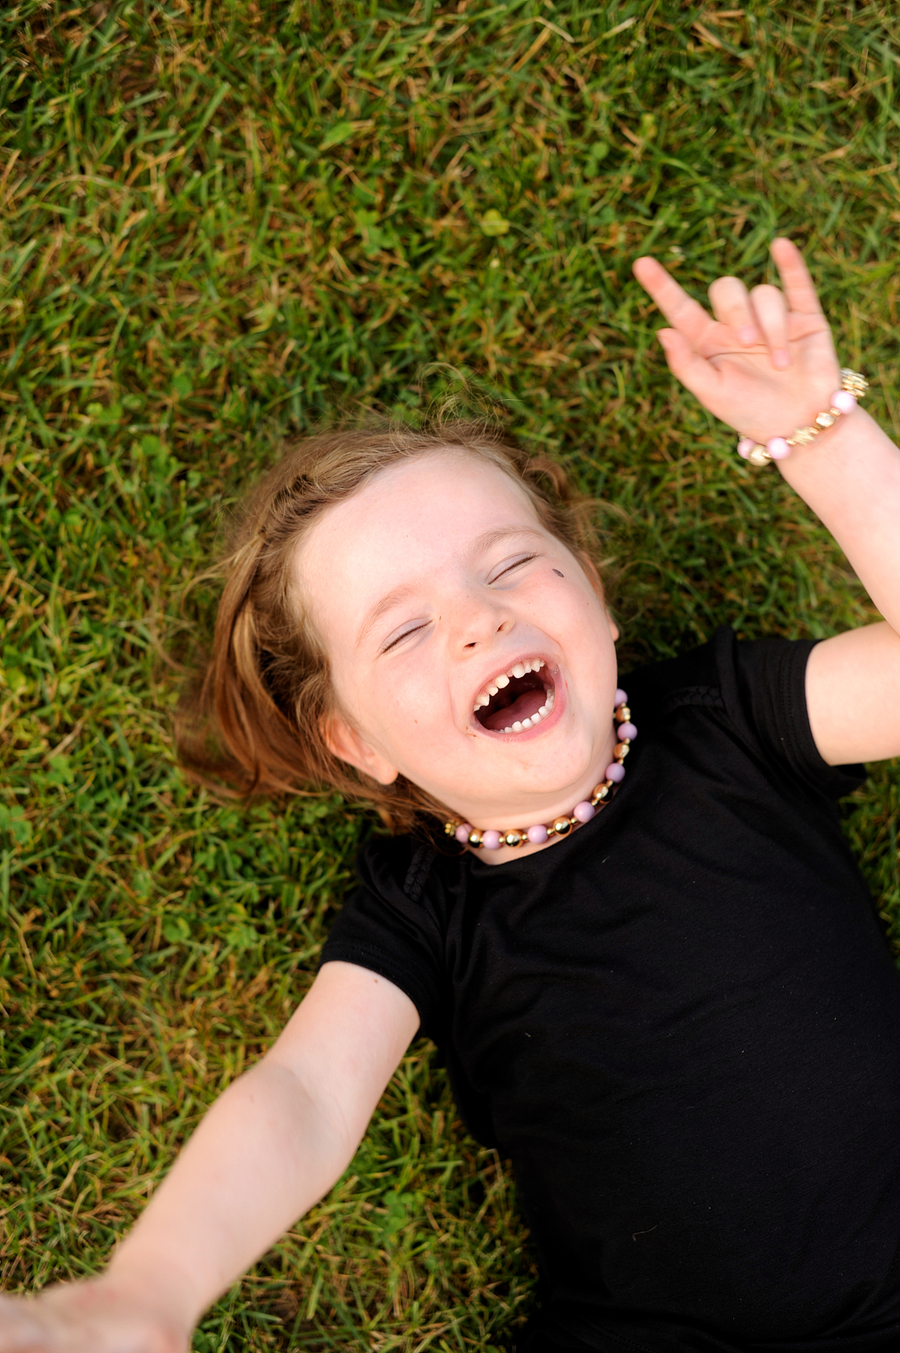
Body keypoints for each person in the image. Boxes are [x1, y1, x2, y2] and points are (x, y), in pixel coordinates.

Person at [2, 238, 899, 1353]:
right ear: (354, 740)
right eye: (408, 629)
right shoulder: (420, 905)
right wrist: (148, 1290)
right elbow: (307, 1095)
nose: (480, 620)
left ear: (598, 600)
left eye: (512, 565)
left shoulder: (726, 716)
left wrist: (823, 435)